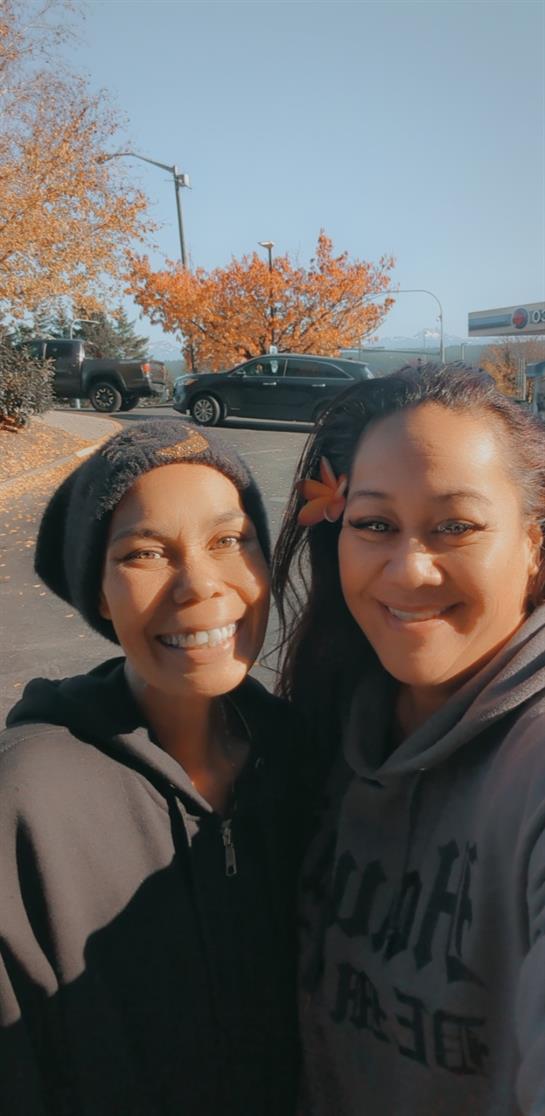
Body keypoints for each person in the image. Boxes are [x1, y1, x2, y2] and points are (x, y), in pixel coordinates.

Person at [0, 419, 301, 1116]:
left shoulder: (307, 759)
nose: (199, 584)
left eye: (230, 540)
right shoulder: (28, 800)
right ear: (97, 592)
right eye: (143, 553)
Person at [272, 364, 545, 1116]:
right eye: (373, 524)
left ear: (533, 543)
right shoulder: (327, 725)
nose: (410, 569)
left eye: (455, 525)